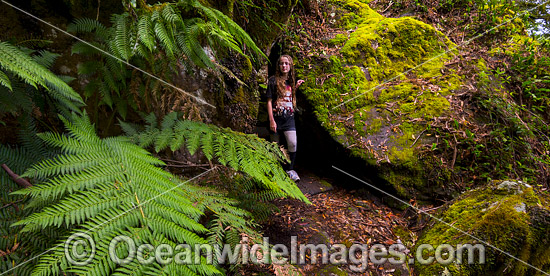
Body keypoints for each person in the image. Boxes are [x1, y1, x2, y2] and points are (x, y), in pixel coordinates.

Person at [266, 55, 304, 182]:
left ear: (290, 66)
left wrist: (296, 87)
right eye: (282, 63)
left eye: (286, 63)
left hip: (289, 119)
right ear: (278, 66)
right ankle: (275, 172)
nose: (284, 66)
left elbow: (288, 96)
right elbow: (269, 101)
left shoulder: (291, 81)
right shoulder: (272, 81)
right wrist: (271, 120)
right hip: (275, 118)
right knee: (275, 147)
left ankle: (290, 169)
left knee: (292, 143)